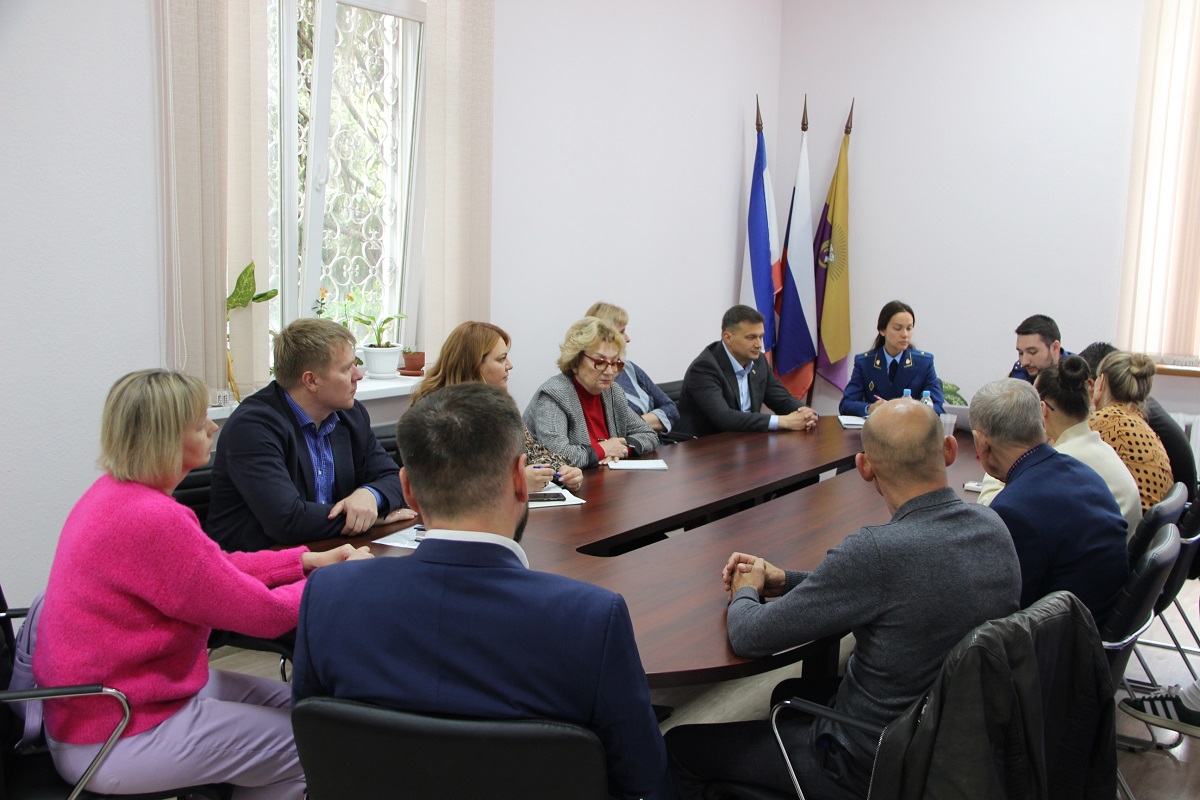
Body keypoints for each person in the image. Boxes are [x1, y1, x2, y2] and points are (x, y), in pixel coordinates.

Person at [292, 383, 674, 799]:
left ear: (408, 489)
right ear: (520, 480)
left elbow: (315, 749)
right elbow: (643, 779)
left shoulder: (328, 594)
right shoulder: (592, 618)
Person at [33, 369, 371, 798]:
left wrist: (304, 562)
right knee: (315, 743)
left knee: (308, 712)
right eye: (199, 423)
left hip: (115, 706)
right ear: (166, 439)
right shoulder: (151, 517)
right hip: (115, 734)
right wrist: (333, 580)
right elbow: (262, 615)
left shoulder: (115, 494)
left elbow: (213, 567)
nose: (213, 428)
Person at [664, 399, 1021, 799]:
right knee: (790, 695)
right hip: (951, 747)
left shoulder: (876, 552)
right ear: (950, 450)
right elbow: (886, 591)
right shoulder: (993, 526)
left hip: (865, 761)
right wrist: (785, 580)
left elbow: (750, 635)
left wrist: (745, 587)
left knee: (679, 747)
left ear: (864, 467)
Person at [208, 317, 414, 552]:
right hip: (260, 562)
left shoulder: (351, 415)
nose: (358, 375)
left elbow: (394, 477)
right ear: (311, 380)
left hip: (329, 550)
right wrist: (364, 518)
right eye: (346, 368)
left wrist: (370, 496)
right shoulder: (253, 427)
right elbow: (287, 520)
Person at [970, 378, 1129, 625]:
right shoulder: (1084, 472)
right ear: (1042, 421)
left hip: (1063, 640)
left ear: (981, 442)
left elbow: (999, 611)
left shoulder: (1012, 510)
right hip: (1101, 621)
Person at [977, 356, 1142, 538]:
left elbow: (993, 515)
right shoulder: (1101, 449)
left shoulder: (1059, 463)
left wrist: (996, 447)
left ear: (1042, 410)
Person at [410, 321, 584, 491]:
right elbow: (448, 482)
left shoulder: (499, 406)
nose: (510, 365)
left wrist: (562, 470)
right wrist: (515, 482)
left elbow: (533, 452)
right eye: (501, 359)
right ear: (474, 365)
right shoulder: (436, 412)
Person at [524, 317, 659, 468]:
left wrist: (621, 449)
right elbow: (556, 456)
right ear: (575, 361)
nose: (609, 372)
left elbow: (649, 435)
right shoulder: (554, 394)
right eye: (600, 362)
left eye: (615, 363)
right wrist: (603, 449)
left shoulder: (612, 392)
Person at [676, 305, 818, 437]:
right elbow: (724, 417)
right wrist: (784, 421)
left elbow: (782, 400)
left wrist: (807, 414)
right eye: (751, 337)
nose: (759, 344)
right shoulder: (704, 368)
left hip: (745, 440)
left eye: (761, 337)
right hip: (705, 446)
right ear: (728, 338)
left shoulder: (759, 361)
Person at [1080, 343, 1192, 505]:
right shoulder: (1141, 423)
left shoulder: (1102, 421)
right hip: (1151, 517)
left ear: (1101, 382)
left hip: (1131, 518)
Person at [586, 301, 680, 433]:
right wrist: (654, 420)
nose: (628, 339)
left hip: (658, 443)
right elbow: (610, 430)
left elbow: (671, 409)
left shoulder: (628, 367)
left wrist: (636, 423)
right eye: (622, 332)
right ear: (604, 335)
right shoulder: (592, 379)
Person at [839, 300, 944, 416]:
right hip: (877, 425)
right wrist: (870, 408)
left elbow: (938, 406)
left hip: (911, 425)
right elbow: (846, 404)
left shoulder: (924, 363)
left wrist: (915, 410)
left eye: (909, 328)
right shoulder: (864, 363)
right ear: (882, 330)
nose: (905, 335)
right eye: (898, 328)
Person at [1009, 313, 1070, 381]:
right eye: (1021, 353)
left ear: (1055, 348)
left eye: (1032, 352)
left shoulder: (1077, 374)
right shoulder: (1018, 373)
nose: (1024, 362)